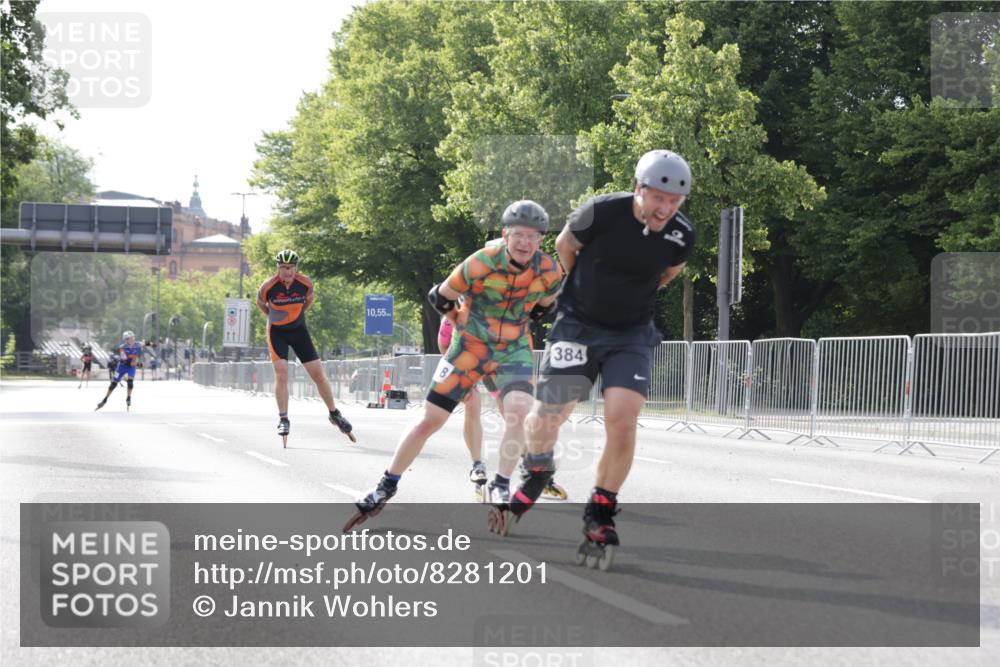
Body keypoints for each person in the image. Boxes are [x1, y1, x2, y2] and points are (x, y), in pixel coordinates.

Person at [515, 150, 697, 567]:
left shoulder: (682, 235)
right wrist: (584, 290)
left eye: (674, 202)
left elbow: (668, 274)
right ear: (639, 189)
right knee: (547, 415)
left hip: (630, 333)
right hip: (578, 324)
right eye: (658, 198)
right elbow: (565, 247)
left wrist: (627, 298)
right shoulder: (600, 212)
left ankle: (601, 509)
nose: (665, 209)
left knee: (622, 418)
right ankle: (538, 467)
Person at [346, 200, 563, 531]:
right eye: (518, 234)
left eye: (533, 237)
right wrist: (458, 320)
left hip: (512, 349)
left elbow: (544, 307)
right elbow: (440, 296)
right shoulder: (480, 262)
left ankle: (501, 483)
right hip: (469, 347)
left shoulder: (549, 270)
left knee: (519, 410)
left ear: (541, 240)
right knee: (428, 420)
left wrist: (517, 326)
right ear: (505, 234)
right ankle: (386, 485)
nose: (524, 242)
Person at [256, 249, 355, 444]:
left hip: (299, 330)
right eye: (283, 268)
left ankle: (334, 413)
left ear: (296, 268)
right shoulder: (268, 286)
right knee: (282, 372)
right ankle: (283, 418)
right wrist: (274, 317)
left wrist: (295, 317)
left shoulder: (305, 283)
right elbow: (261, 305)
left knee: (318, 373)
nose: (287, 272)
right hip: (277, 332)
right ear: (278, 268)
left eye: (291, 267)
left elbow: (308, 302)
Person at [437, 309, 488, 496]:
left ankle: (477, 464)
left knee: (476, 407)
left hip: (486, 364)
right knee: (430, 421)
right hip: (457, 366)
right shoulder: (451, 318)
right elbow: (443, 346)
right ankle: (391, 478)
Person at [95, 331, 150, 411]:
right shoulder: (122, 347)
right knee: (113, 384)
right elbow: (126, 361)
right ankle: (104, 400)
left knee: (130, 382)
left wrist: (152, 344)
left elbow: (146, 343)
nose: (132, 339)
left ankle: (128, 398)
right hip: (122, 366)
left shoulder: (137, 344)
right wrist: (139, 364)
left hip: (131, 367)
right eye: (130, 339)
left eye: (133, 338)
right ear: (126, 340)